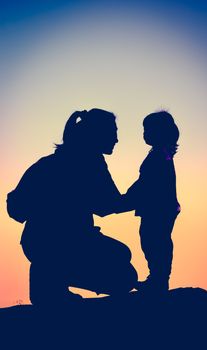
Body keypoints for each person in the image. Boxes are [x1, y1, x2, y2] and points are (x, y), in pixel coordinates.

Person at [7, 109, 138, 305]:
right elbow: (108, 204)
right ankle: (50, 283)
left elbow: (15, 207)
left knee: (122, 256)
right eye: (113, 132)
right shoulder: (91, 163)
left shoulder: (50, 163)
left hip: (39, 242)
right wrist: (143, 194)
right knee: (124, 272)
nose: (117, 139)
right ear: (97, 134)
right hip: (60, 243)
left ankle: (51, 282)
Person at [123, 111, 180, 294]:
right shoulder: (160, 153)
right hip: (161, 207)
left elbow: (146, 182)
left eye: (148, 130)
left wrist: (127, 198)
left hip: (159, 208)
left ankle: (158, 279)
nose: (145, 134)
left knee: (154, 240)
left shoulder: (159, 155)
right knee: (154, 239)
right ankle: (157, 278)